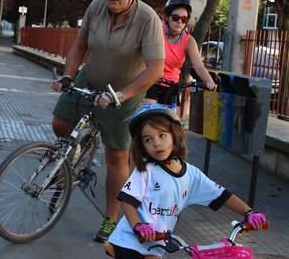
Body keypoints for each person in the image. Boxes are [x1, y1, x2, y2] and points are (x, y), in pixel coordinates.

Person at [50, 0, 165, 242]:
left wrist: (123, 95)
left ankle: (110, 220)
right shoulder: (96, 7)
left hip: (124, 93)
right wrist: (68, 75)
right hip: (89, 80)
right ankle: (74, 156)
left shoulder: (147, 19)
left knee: (116, 156)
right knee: (60, 124)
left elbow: (155, 69)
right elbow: (80, 45)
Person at [104, 104, 268, 258]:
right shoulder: (146, 171)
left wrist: (249, 212)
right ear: (142, 146)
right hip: (129, 240)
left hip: (156, 244)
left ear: (175, 135)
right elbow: (127, 201)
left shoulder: (192, 175)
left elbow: (222, 195)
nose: (156, 143)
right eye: (148, 140)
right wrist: (138, 227)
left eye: (162, 135)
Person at [145, 0, 217, 107]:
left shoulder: (188, 41)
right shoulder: (157, 31)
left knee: (173, 120)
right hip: (151, 82)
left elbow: (199, 66)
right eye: (175, 17)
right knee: (149, 113)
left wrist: (209, 81)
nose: (179, 22)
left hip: (172, 86)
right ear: (167, 17)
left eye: (184, 19)